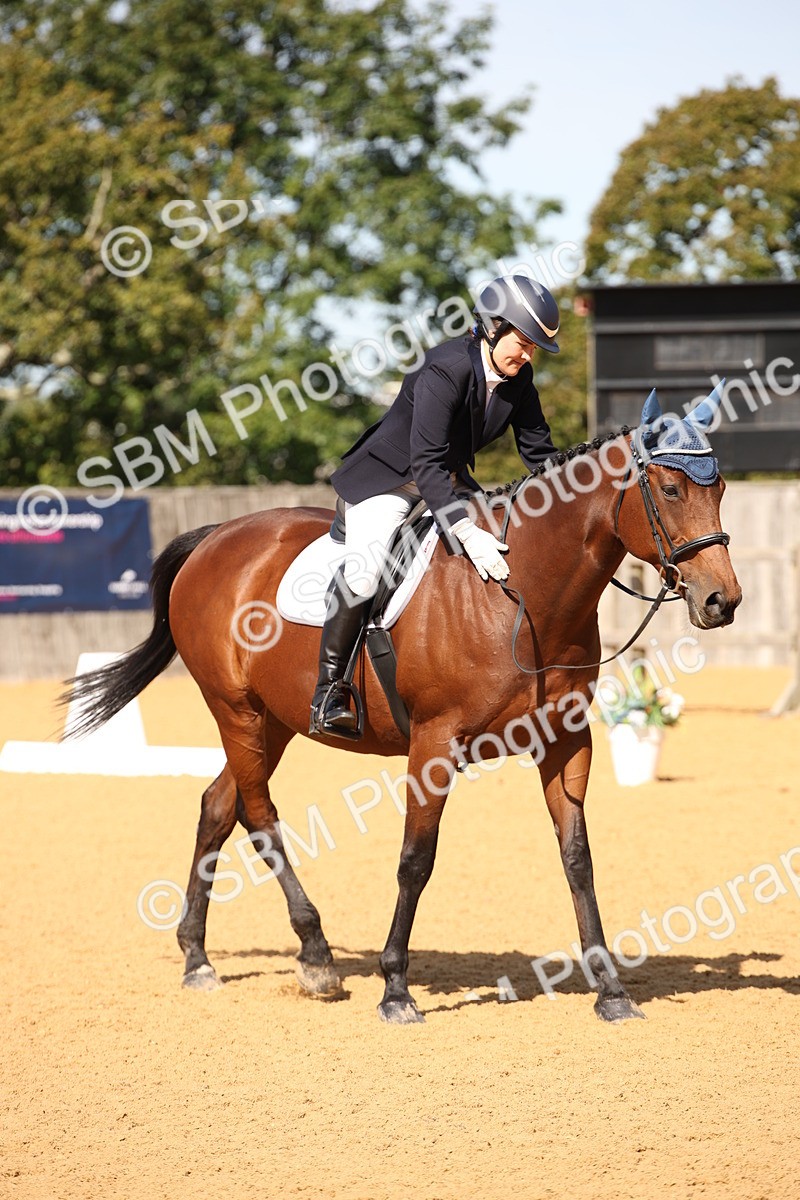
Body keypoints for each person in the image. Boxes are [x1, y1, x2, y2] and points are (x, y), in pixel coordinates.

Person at [309, 273, 561, 738]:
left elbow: (540, 453)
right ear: (491, 326)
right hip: (388, 480)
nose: (527, 357)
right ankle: (329, 691)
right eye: (523, 343)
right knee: (366, 570)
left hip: (445, 480)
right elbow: (424, 461)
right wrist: (465, 531)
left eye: (532, 350)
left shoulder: (518, 379)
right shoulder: (444, 368)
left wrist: (579, 483)